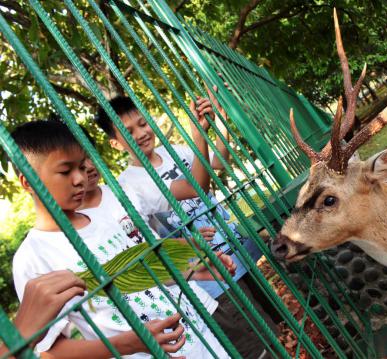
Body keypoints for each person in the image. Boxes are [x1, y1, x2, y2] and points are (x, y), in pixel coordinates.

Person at [10, 120, 233, 358]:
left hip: (199, 339)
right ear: (27, 181)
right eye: (66, 171)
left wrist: (193, 268)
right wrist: (130, 344)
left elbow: (144, 275)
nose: (80, 179)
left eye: (81, 166)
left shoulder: (106, 216)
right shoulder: (33, 257)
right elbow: (50, 350)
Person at [95, 90, 277, 358]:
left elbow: (217, 163)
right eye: (128, 131)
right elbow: (197, 187)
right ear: (115, 144)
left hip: (235, 253)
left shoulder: (172, 151)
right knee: (256, 348)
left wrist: (218, 125)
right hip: (209, 276)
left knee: (273, 327)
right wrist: (197, 134)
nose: (141, 133)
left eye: (143, 123)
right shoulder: (130, 184)